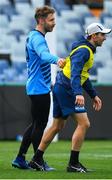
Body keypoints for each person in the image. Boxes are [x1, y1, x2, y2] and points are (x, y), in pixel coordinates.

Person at [29, 22, 111, 172]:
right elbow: (75, 73)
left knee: (57, 126)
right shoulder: (85, 51)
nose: (105, 38)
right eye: (102, 35)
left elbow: (82, 76)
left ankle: (36, 159)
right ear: (93, 36)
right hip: (66, 88)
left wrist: (93, 95)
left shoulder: (86, 49)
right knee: (84, 124)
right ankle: (73, 163)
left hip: (61, 86)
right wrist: (78, 93)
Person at [12, 5, 65, 171]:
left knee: (36, 123)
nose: (54, 23)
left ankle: (20, 158)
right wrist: (57, 60)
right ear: (41, 20)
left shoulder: (33, 36)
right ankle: (37, 160)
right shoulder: (37, 38)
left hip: (36, 86)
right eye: (51, 20)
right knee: (40, 124)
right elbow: (43, 55)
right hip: (38, 88)